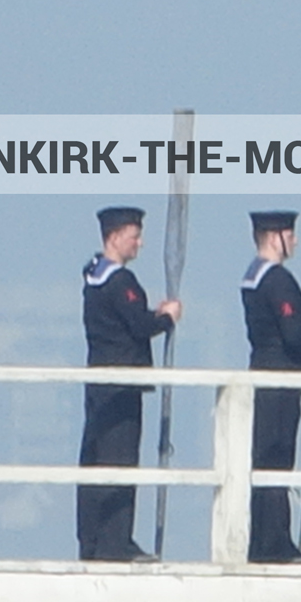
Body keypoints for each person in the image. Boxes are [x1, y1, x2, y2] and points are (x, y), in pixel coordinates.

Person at [78, 206, 181, 562]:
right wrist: (166, 318)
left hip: (98, 381)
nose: (140, 243)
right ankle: (115, 542)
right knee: (119, 460)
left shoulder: (93, 276)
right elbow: (138, 326)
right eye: (134, 236)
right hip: (122, 383)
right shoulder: (120, 281)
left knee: (96, 458)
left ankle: (92, 540)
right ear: (115, 236)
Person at [241, 210, 301, 564]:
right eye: (290, 234)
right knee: (276, 457)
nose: (294, 241)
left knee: (267, 458)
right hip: (280, 376)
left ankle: (264, 542)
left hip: (264, 368)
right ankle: (274, 544)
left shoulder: (254, 277)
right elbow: (291, 333)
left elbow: (284, 322)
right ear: (274, 237)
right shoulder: (277, 279)